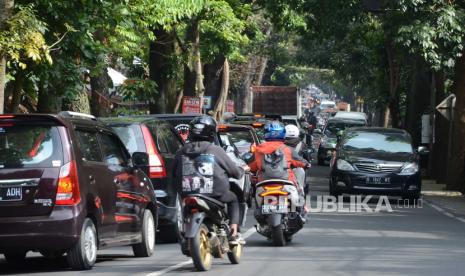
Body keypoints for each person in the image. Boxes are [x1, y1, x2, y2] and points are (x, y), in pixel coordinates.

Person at [173, 115, 245, 240]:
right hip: (215, 194)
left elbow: (173, 173)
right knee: (233, 198)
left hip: (188, 193)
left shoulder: (181, 152)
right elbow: (235, 173)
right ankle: (234, 231)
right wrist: (241, 170)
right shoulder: (216, 150)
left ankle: (184, 233)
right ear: (212, 133)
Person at [248, 121, 310, 186]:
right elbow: (301, 162)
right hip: (286, 182)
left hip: (263, 182)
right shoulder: (287, 149)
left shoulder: (259, 149)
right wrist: (306, 164)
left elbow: (251, 166)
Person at [284, 124, 311, 195]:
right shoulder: (302, 145)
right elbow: (306, 158)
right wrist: (306, 163)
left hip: (281, 170)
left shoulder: (278, 144)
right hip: (293, 169)